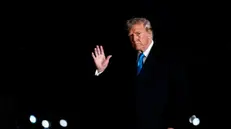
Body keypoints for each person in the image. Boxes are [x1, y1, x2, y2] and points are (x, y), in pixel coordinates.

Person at [91, 17, 189, 129]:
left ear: (149, 33)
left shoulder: (169, 58)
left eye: (138, 34)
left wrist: (173, 123)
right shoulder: (125, 59)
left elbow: (180, 93)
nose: (134, 38)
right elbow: (111, 92)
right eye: (131, 35)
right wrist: (101, 70)